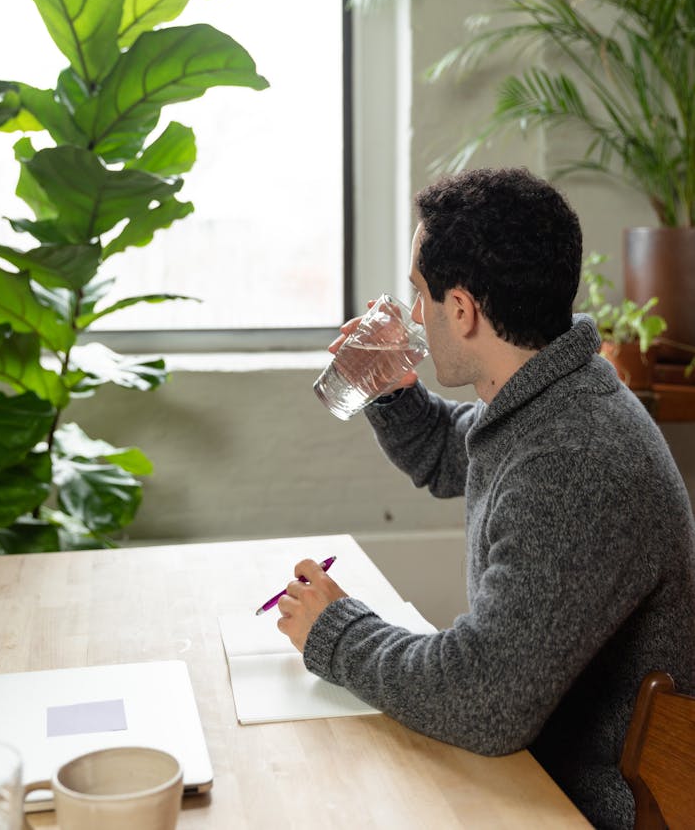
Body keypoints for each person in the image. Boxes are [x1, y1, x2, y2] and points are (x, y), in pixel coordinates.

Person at [277, 167, 695, 830]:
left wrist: (336, 630)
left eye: (420, 294)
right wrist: (389, 386)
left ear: (464, 310)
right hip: (531, 772)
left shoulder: (577, 458)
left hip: (576, 805)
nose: (414, 314)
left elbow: (481, 698)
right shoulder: (555, 394)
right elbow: (455, 451)